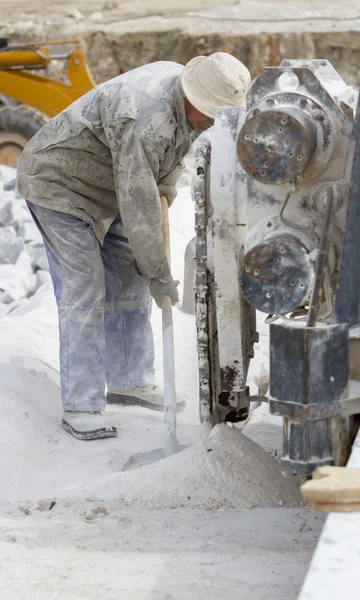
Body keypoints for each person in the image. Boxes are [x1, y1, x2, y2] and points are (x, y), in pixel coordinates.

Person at [16, 52, 251, 440]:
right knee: (85, 289)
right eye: (209, 114)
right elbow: (139, 202)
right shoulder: (145, 117)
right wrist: (160, 274)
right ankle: (82, 405)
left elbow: (162, 173)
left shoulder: (190, 100)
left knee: (128, 275)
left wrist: (165, 196)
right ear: (192, 97)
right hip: (58, 182)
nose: (212, 124)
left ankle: (129, 380)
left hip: (108, 183)